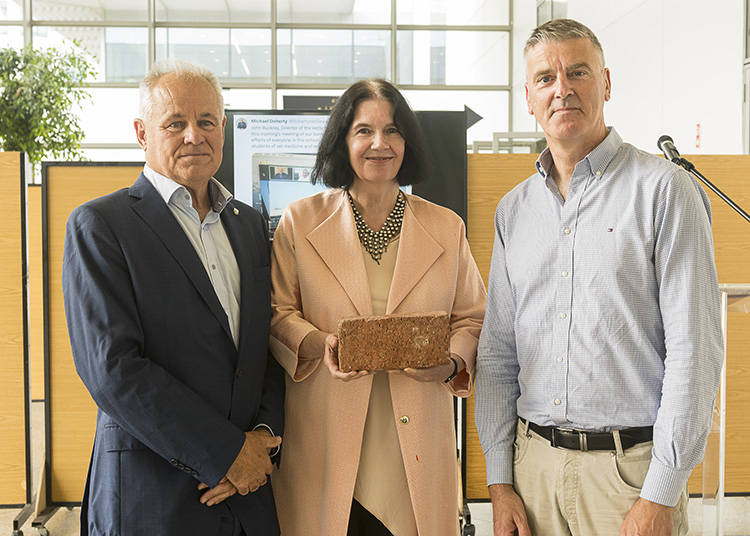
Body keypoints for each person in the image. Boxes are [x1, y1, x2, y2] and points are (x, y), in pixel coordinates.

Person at [474, 18, 724, 536]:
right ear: (528, 97)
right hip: (531, 471)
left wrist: (661, 491)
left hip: (629, 477)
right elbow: (498, 354)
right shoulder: (513, 211)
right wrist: (499, 481)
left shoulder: (666, 192)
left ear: (606, 84)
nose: (561, 89)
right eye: (545, 78)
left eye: (578, 72)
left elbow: (694, 354)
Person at [62, 58, 285, 535]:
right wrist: (225, 453)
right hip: (152, 497)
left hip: (248, 496)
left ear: (222, 128)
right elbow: (113, 369)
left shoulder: (247, 225)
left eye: (206, 121)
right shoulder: (101, 225)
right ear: (142, 133)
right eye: (175, 123)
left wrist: (262, 441)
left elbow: (262, 345)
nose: (193, 135)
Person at [269, 79, 486, 536]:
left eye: (392, 130)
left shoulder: (446, 227)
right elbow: (277, 313)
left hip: (416, 441)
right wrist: (321, 342)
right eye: (363, 130)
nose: (379, 144)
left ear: (408, 142)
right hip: (326, 435)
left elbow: (472, 316)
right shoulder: (300, 221)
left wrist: (449, 363)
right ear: (342, 141)